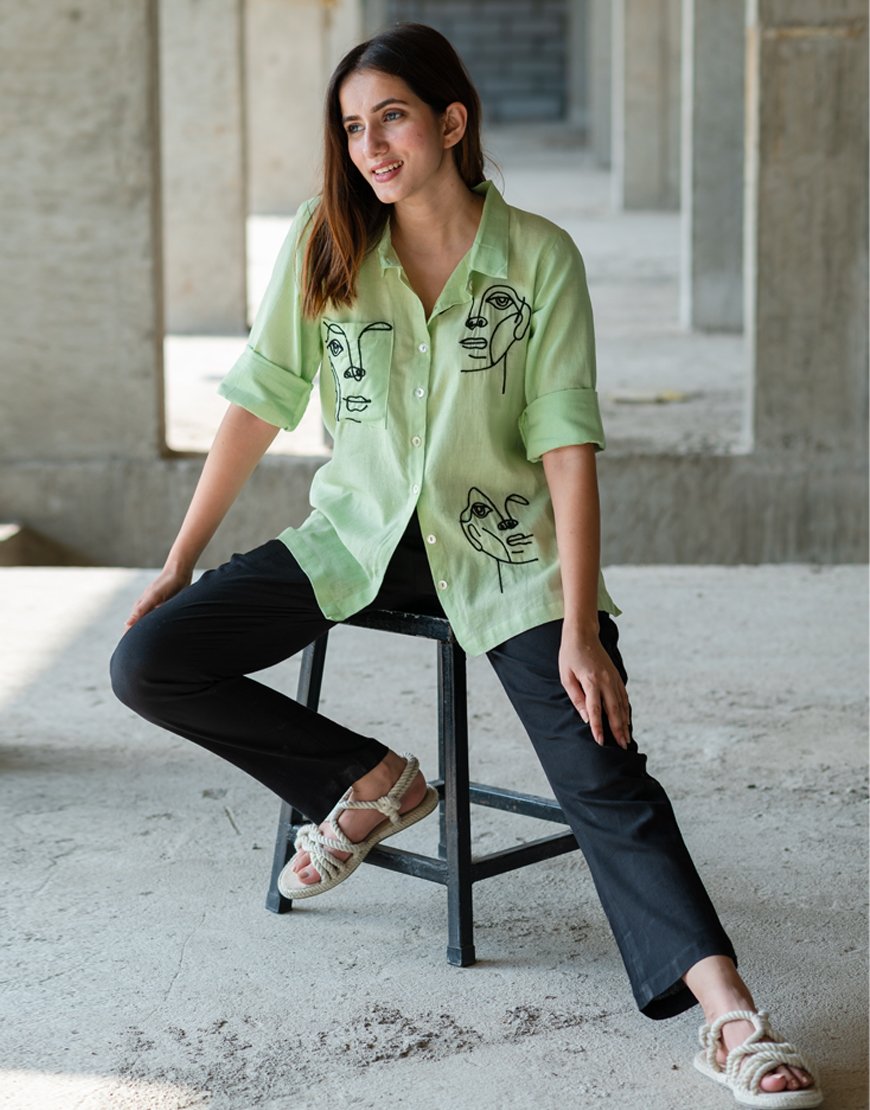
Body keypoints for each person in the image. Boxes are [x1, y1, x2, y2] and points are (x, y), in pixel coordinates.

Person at [110, 23, 821, 1108]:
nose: (371, 146)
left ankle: (729, 1018)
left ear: (451, 121)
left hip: (505, 550)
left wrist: (580, 627)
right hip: (360, 540)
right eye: (353, 127)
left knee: (601, 764)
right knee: (149, 660)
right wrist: (179, 559)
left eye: (391, 116)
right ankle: (363, 782)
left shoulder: (539, 258)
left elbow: (569, 453)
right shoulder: (324, 242)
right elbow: (259, 403)